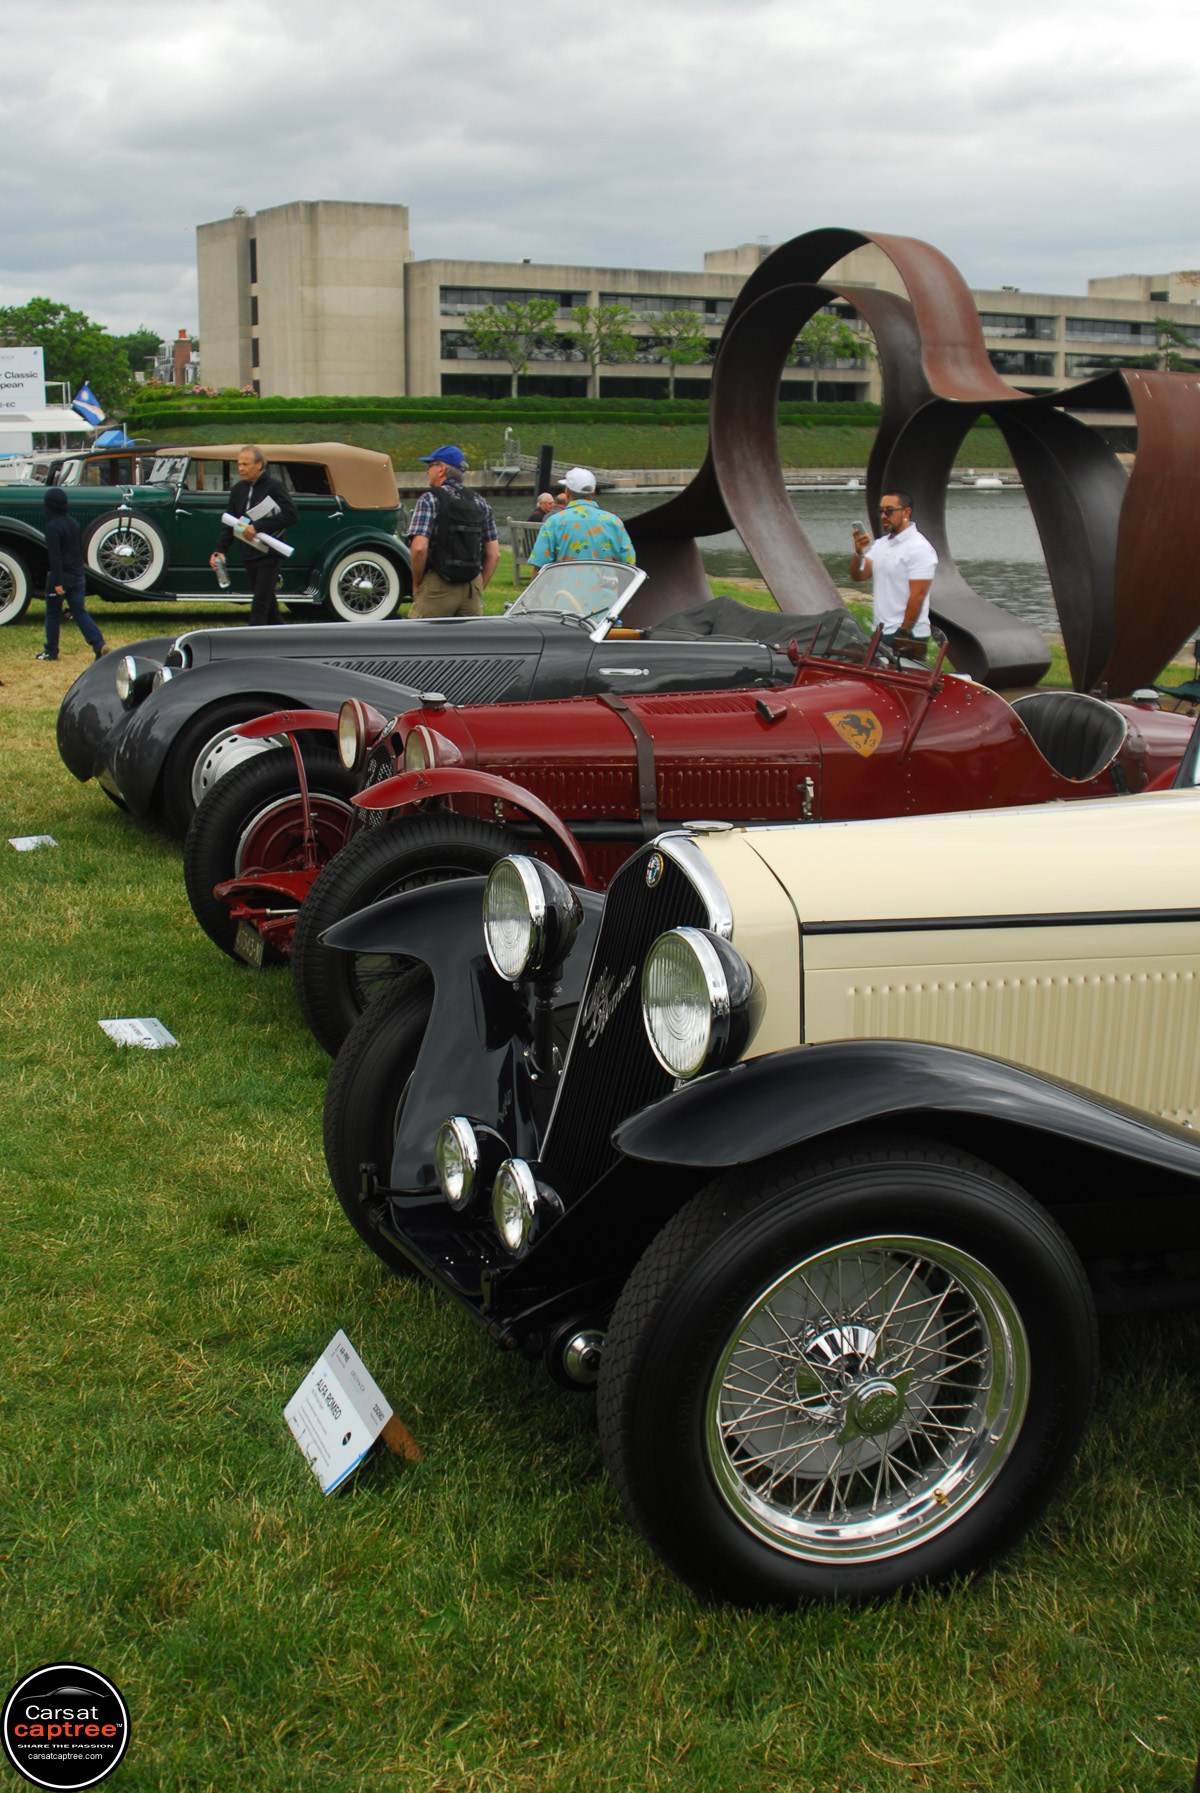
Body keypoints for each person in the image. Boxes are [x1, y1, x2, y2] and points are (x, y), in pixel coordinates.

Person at [407, 445, 500, 619]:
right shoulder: (481, 502)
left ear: (441, 468)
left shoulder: (429, 499)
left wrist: (416, 584)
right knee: (467, 637)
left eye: (430, 465)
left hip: (437, 585)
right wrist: (479, 587)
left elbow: (419, 548)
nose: (427, 471)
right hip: (471, 587)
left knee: (420, 635)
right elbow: (494, 555)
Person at [210, 445, 298, 625]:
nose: (241, 468)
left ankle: (253, 635)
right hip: (249, 552)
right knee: (268, 603)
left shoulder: (274, 486)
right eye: (239, 464)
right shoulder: (238, 490)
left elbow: (291, 515)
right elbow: (230, 523)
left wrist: (258, 526)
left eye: (245, 464)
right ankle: (280, 633)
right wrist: (220, 550)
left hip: (270, 552)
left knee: (260, 602)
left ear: (259, 464)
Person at [849, 490, 938, 658]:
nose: (884, 516)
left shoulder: (920, 548)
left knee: (905, 675)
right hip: (881, 632)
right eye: (881, 511)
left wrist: (903, 633)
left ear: (906, 512)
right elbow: (859, 575)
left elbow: (918, 595)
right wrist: (859, 552)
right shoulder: (881, 544)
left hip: (909, 634)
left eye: (889, 510)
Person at [35, 487, 108, 661]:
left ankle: (51, 651)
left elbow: (55, 556)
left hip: (61, 575)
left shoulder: (52, 527)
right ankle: (98, 644)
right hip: (78, 575)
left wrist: (57, 582)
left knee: (53, 613)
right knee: (79, 612)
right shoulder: (73, 523)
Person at [528, 467, 636, 568]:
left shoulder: (553, 523)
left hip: (565, 582)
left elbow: (539, 566)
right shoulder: (614, 522)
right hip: (605, 582)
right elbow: (630, 563)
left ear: (567, 492)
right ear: (593, 493)